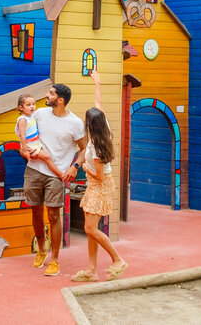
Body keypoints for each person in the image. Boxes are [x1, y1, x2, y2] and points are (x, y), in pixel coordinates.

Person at [70, 69, 127, 282]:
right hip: (97, 185)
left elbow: (99, 176)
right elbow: (99, 104)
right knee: (91, 228)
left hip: (100, 184)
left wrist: (84, 168)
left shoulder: (95, 147)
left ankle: (118, 259)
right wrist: (97, 83)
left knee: (89, 228)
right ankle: (91, 270)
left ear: (90, 126)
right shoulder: (105, 129)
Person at [24, 83, 85, 277]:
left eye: (51, 93)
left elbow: (84, 148)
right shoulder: (40, 114)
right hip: (34, 169)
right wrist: (24, 149)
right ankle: (42, 250)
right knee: (35, 211)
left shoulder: (75, 123)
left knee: (53, 215)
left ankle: (55, 260)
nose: (46, 95)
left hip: (57, 174)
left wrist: (74, 167)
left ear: (60, 100)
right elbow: (26, 132)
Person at [16, 94, 64, 179]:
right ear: (21, 108)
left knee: (47, 156)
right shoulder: (23, 119)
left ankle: (55, 173)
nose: (32, 107)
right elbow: (22, 134)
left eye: (33, 104)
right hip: (30, 146)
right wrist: (25, 149)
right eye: (28, 105)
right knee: (47, 158)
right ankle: (61, 175)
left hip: (35, 143)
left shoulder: (32, 116)